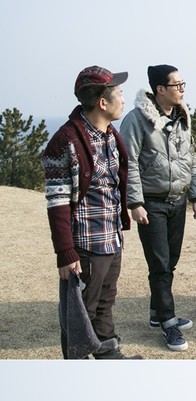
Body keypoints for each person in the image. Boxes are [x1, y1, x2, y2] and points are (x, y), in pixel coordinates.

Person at [42, 65, 138, 360]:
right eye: (120, 93)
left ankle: (108, 354)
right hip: (86, 245)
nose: (124, 99)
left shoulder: (110, 134)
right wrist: (65, 252)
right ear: (103, 102)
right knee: (81, 312)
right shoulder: (65, 141)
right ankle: (77, 367)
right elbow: (57, 201)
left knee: (106, 303)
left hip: (112, 239)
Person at [119, 65, 196, 352]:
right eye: (177, 85)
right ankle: (168, 323)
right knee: (159, 265)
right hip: (151, 204)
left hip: (177, 201)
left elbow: (191, 157)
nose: (182, 89)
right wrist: (135, 203)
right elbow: (128, 162)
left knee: (170, 261)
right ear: (160, 89)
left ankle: (157, 314)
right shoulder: (136, 120)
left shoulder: (181, 117)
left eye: (183, 84)